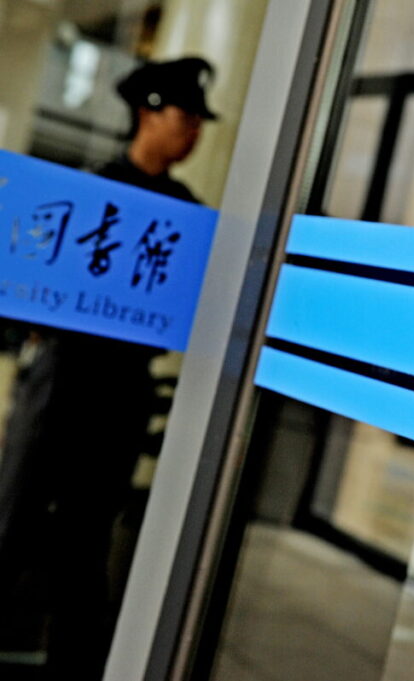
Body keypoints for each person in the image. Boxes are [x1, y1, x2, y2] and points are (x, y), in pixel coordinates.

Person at [0, 56, 216, 680]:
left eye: (201, 122)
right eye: (186, 117)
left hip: (121, 393)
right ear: (147, 113)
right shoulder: (90, 191)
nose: (195, 132)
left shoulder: (187, 214)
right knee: (12, 526)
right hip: (62, 382)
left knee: (86, 546)